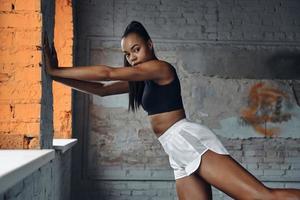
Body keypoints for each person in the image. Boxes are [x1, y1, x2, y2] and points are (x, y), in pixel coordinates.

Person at [42, 21, 300, 200]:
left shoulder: (160, 68)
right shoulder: (141, 80)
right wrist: (56, 77)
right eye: (128, 54)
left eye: (136, 49)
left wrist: (58, 69)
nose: (132, 57)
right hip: (175, 149)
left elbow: (108, 73)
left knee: (260, 196)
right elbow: (101, 89)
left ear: (150, 44)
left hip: (189, 140)